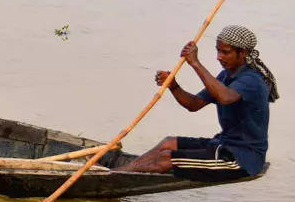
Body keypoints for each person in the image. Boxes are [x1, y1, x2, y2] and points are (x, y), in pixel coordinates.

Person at [115, 25, 278, 181]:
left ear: (242, 53)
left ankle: (115, 175)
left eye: (225, 52)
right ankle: (121, 171)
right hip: (223, 143)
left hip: (241, 158)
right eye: (218, 50)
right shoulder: (226, 76)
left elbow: (225, 97)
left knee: (165, 159)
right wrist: (173, 85)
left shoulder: (251, 80)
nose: (219, 57)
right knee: (168, 143)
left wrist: (195, 63)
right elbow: (193, 104)